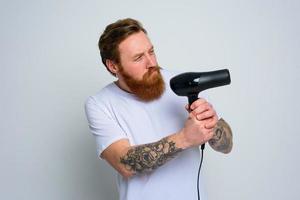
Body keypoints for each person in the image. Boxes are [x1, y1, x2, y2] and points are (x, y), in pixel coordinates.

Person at [84, 18, 233, 200]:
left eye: (151, 51)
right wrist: (184, 138)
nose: (151, 62)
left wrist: (212, 127)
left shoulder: (182, 84)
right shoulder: (100, 104)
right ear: (113, 66)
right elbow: (124, 164)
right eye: (138, 58)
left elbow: (227, 146)